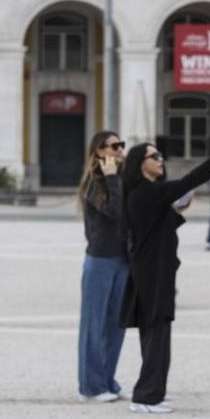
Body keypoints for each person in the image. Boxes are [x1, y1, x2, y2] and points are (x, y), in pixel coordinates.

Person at [119, 131, 210, 414]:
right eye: (154, 156)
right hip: (153, 273)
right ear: (139, 163)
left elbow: (164, 224)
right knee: (156, 334)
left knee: (157, 333)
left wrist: (179, 209)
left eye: (161, 156)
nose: (161, 160)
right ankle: (145, 397)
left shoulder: (146, 194)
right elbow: (186, 182)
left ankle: (153, 393)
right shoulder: (145, 192)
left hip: (155, 269)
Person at [76, 131, 128, 404]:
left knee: (116, 325)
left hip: (123, 259)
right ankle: (91, 386)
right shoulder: (95, 183)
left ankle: (107, 379)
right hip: (100, 260)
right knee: (93, 324)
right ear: (98, 151)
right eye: (113, 146)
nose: (119, 150)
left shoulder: (120, 179)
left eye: (121, 145)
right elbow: (114, 212)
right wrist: (110, 178)